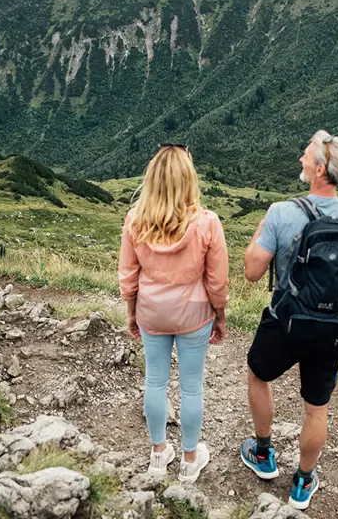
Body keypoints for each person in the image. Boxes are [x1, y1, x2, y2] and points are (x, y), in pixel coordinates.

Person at [239, 130, 338, 510]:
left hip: (285, 321)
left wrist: (261, 232)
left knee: (258, 375)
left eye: (305, 157)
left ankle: (262, 452)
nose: (300, 161)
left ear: (320, 169)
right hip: (330, 330)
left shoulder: (281, 212)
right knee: (316, 408)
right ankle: (303, 480)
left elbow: (252, 272)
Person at [119, 142, 228, 483]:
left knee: (155, 381)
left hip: (151, 310)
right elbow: (217, 280)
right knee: (192, 387)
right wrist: (220, 316)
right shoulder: (207, 223)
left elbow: (128, 277)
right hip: (194, 313)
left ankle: (157, 454)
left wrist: (132, 313)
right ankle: (189, 459)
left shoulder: (136, 220)